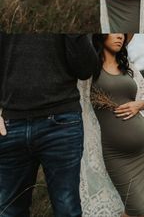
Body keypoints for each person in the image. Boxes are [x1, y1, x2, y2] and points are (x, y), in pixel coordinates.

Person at [0, 33, 98, 217]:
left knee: (67, 211)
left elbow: (85, 69)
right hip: (9, 125)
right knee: (8, 211)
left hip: (62, 124)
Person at [79, 34, 144, 217]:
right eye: (115, 32)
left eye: (123, 34)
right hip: (116, 154)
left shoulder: (128, 67)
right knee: (136, 209)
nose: (120, 37)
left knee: (143, 207)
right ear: (101, 35)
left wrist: (140, 104)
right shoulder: (89, 70)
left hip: (142, 152)